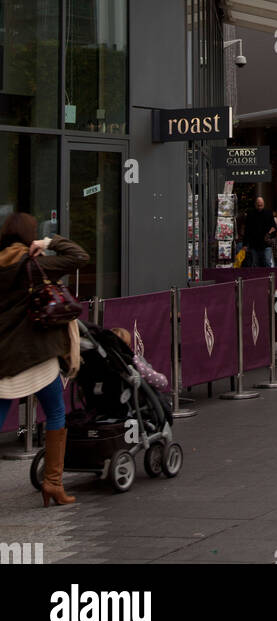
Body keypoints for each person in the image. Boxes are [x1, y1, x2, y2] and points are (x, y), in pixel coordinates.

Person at [0, 213, 89, 506]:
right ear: (28, 235)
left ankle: (53, 484)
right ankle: (53, 484)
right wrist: (48, 241)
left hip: (4, 358)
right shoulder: (35, 266)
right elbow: (79, 256)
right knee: (55, 412)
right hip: (36, 355)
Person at [111, 328, 169, 395]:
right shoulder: (135, 362)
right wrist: (135, 360)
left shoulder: (106, 363)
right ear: (129, 346)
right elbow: (162, 382)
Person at [244, 196, 276, 267]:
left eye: (261, 205)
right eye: (258, 205)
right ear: (255, 204)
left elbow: (274, 227)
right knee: (255, 264)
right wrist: (245, 244)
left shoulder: (269, 213)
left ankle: (269, 277)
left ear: (264, 204)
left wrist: (270, 234)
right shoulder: (250, 213)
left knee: (267, 262)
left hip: (266, 243)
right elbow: (247, 230)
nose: (259, 206)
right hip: (254, 244)